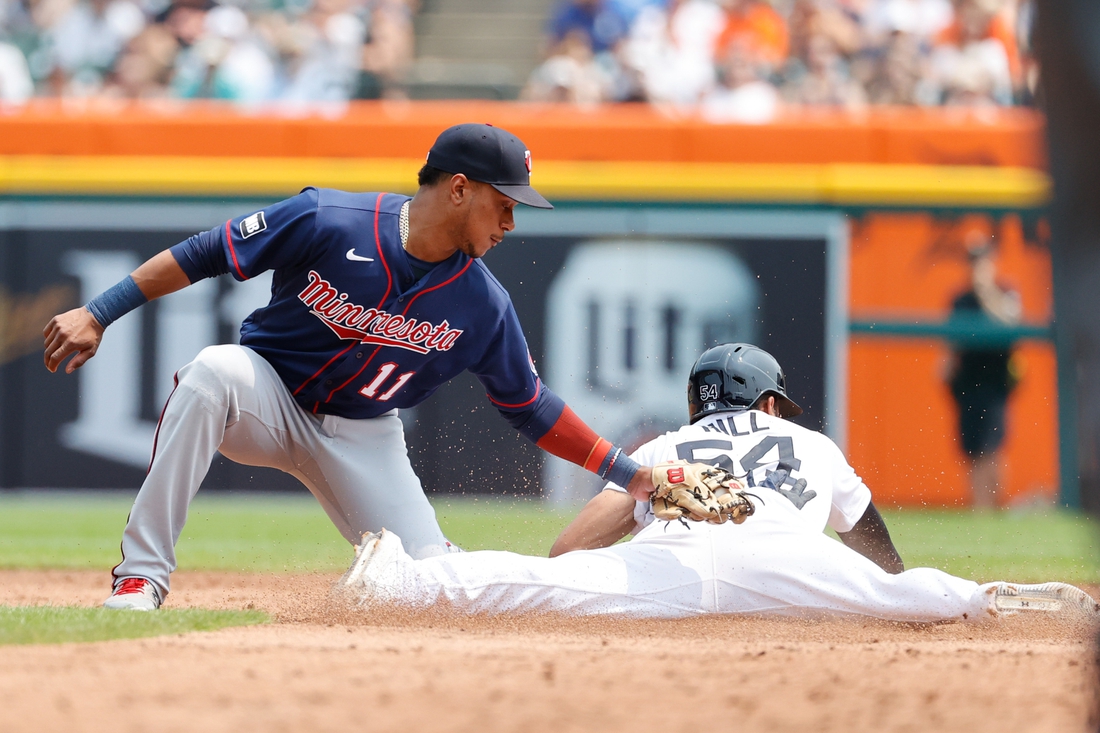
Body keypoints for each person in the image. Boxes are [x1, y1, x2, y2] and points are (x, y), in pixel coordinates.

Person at [43, 123, 657, 611]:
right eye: (504, 203)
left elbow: (531, 406)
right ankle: (141, 579)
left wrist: (631, 475)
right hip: (267, 398)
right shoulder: (329, 219)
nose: (511, 222)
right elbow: (206, 252)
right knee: (211, 373)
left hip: (364, 436)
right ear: (460, 188)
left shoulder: (483, 303)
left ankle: (404, 575)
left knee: (433, 586)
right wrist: (100, 311)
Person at [337, 343, 1098, 622]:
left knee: (520, 584)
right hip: (791, 558)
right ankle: (987, 598)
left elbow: (589, 528)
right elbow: (871, 542)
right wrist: (876, 591)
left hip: (671, 559)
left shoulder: (667, 441)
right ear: (769, 402)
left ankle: (401, 580)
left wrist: (562, 576)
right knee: (909, 595)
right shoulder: (809, 439)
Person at [946, 238, 1022, 508]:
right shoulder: (960, 299)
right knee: (973, 447)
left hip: (995, 382)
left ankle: (995, 504)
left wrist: (987, 292)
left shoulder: (1006, 292)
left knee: (993, 445)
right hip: (968, 381)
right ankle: (979, 506)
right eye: (973, 262)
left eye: (982, 262)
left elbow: (1010, 324)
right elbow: (952, 341)